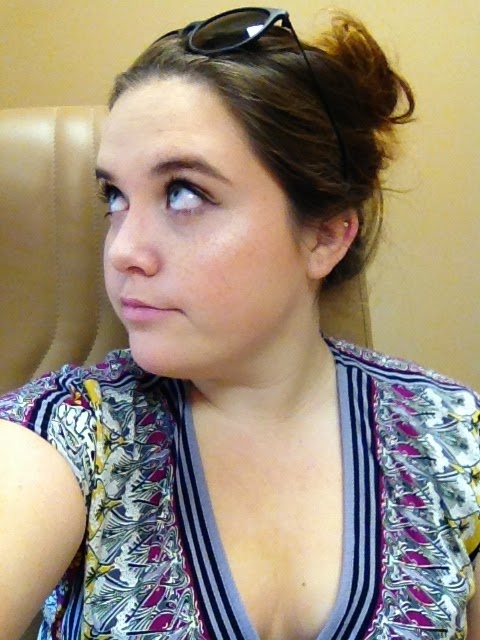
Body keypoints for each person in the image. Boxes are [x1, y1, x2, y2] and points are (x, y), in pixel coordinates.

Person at [0, 7, 479, 640]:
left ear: (325, 237)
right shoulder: (66, 434)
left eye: (183, 193)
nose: (122, 251)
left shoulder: (453, 436)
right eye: (114, 196)